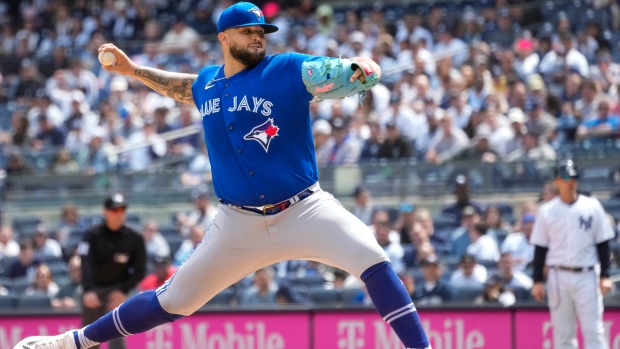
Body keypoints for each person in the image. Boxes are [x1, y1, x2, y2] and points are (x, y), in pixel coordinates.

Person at [14, 3, 430, 349]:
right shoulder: (210, 83)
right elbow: (185, 86)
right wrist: (134, 71)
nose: (257, 37)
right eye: (247, 30)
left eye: (261, 31)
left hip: (305, 208)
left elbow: (333, 71)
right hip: (239, 222)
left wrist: (360, 67)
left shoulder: (286, 68)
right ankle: (75, 342)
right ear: (223, 38)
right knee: (174, 299)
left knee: (373, 260)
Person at [531, 160, 614, 349]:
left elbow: (603, 243)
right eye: (566, 177)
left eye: (574, 177)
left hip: (587, 275)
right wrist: (537, 281)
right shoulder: (547, 211)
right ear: (557, 181)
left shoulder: (592, 206)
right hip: (558, 276)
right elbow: (540, 248)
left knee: (594, 330)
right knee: (563, 334)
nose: (571, 181)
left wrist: (605, 275)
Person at [76, 194, 147, 349]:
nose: (119, 213)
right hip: (94, 290)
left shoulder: (135, 238)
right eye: (115, 210)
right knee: (89, 337)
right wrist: (88, 290)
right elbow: (85, 263)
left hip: (118, 291)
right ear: (105, 212)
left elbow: (140, 270)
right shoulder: (92, 235)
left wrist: (123, 290)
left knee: (117, 335)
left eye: (122, 209)